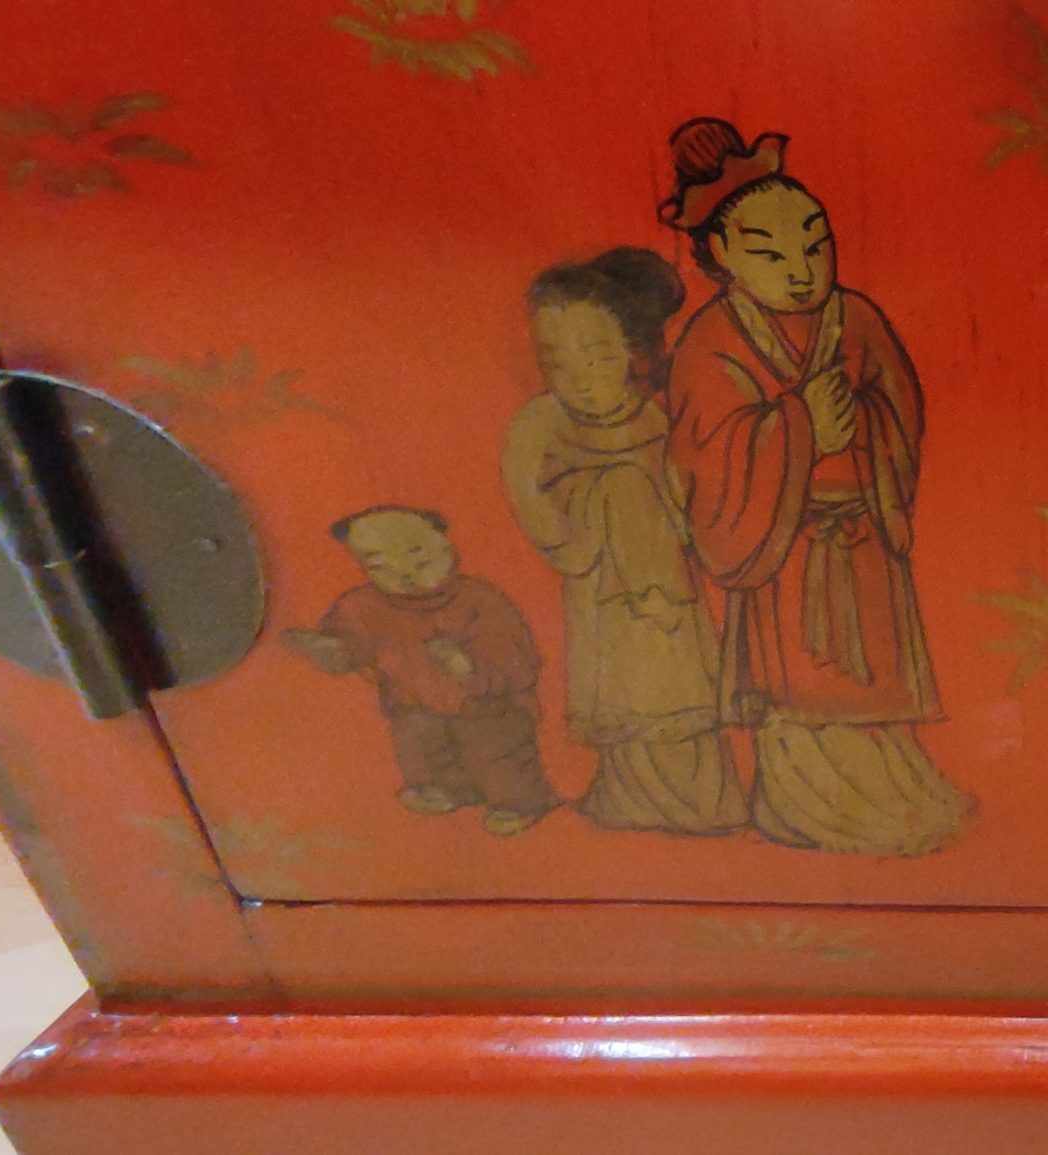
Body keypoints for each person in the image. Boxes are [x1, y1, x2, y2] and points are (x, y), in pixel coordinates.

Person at [655, 117, 974, 856]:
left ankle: (891, 790)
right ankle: (807, 806)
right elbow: (703, 448)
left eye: (815, 244)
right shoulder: (712, 339)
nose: (801, 269)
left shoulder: (854, 317)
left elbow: (901, 407)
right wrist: (799, 429)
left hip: (862, 533)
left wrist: (863, 425)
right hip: (783, 546)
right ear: (723, 255)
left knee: (872, 671)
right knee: (797, 684)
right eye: (770, 253)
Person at [500, 247, 747, 836]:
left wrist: (666, 552)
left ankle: (703, 802)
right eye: (557, 362)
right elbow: (529, 497)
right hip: (601, 590)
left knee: (679, 689)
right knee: (623, 691)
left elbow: (684, 499)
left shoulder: (655, 419)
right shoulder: (540, 423)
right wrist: (587, 525)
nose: (579, 379)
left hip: (672, 595)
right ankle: (628, 796)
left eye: (598, 356)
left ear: (634, 354)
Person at [282, 506, 560, 835]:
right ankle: (450, 789)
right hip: (414, 701)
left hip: (485, 702)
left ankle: (521, 803)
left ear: (444, 546)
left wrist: (465, 665)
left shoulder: (478, 599)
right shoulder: (365, 605)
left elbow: (510, 651)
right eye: (379, 564)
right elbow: (354, 637)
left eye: (417, 554)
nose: (403, 571)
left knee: (496, 752)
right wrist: (335, 650)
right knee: (420, 746)